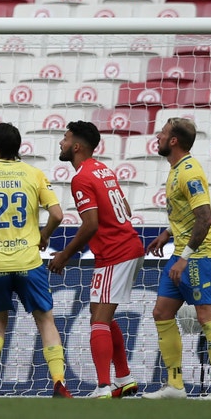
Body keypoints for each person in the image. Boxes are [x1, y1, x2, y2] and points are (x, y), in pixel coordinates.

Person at [0, 122, 71, 398]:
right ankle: (58, 382)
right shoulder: (34, 174)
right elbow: (57, 214)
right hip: (28, 261)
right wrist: (44, 236)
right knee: (45, 320)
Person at [49, 121, 144, 398]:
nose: (61, 143)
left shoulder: (81, 178)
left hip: (115, 252)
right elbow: (124, 206)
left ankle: (103, 386)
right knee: (100, 314)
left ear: (76, 146)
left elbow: (90, 224)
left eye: (65, 139)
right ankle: (123, 377)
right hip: (128, 245)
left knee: (98, 321)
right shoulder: (102, 168)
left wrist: (65, 255)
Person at [143, 117, 211, 400]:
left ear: (174, 141)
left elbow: (205, 219)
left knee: (206, 317)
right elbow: (187, 212)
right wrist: (168, 233)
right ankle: (175, 386)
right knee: (161, 313)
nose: (158, 136)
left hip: (200, 256)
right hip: (181, 252)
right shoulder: (176, 169)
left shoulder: (190, 172)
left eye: (163, 133)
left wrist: (185, 258)